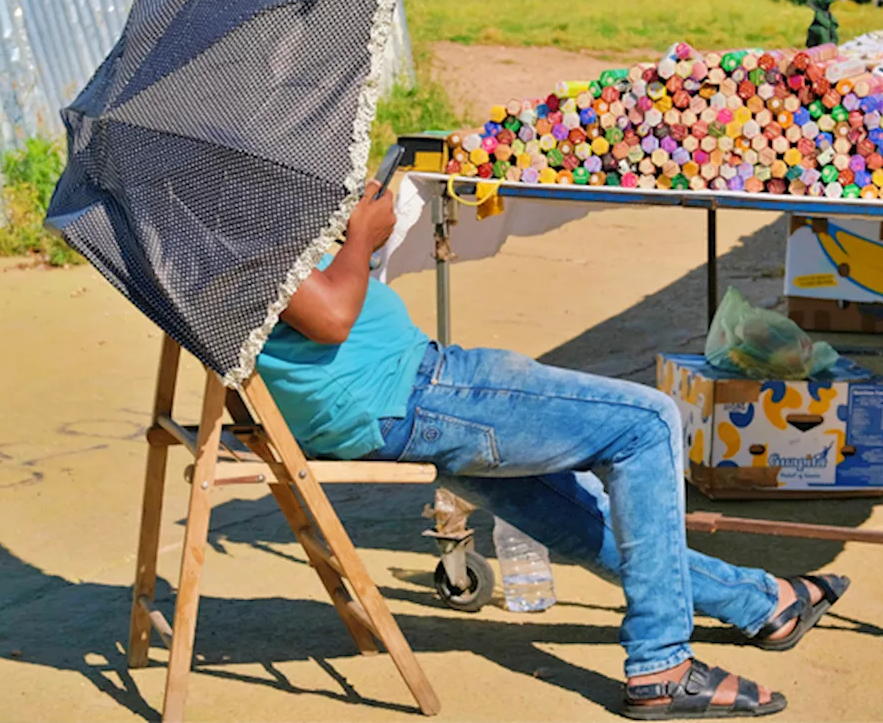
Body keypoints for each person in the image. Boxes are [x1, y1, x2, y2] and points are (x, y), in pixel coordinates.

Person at [257, 182, 849, 719]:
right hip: (413, 394)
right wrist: (362, 237)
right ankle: (661, 664)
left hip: (385, 404)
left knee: (581, 518)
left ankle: (763, 603)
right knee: (649, 422)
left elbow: (308, 309)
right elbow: (332, 318)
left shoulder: (190, 229)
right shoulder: (219, 229)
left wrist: (350, 239)